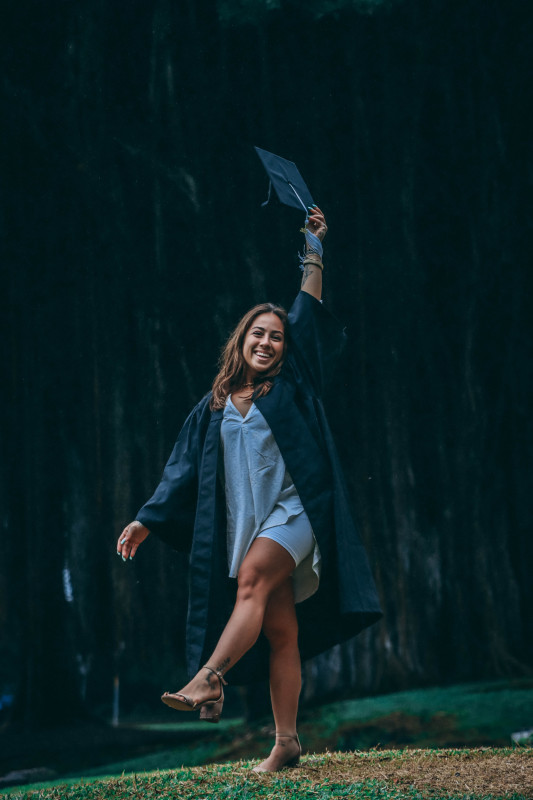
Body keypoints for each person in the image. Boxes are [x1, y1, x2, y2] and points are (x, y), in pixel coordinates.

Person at [116, 207, 382, 772]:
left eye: (276, 337)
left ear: (287, 348)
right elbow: (181, 469)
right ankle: (286, 742)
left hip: (297, 512)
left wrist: (314, 248)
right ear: (241, 340)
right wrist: (146, 518)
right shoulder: (212, 406)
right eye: (258, 334)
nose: (267, 342)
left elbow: (307, 311)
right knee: (282, 631)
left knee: (254, 582)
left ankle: (209, 680)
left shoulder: (292, 382)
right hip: (250, 522)